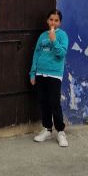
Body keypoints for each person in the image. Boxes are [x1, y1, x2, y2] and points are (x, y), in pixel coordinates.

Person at [30, 9, 69, 147]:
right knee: (43, 101)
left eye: (56, 20)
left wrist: (53, 40)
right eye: (51, 19)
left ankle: (60, 132)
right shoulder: (42, 36)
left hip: (54, 74)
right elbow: (36, 54)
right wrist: (33, 73)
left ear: (60, 22)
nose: (53, 22)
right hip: (41, 73)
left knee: (54, 102)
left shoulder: (62, 35)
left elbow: (61, 54)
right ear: (47, 21)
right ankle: (47, 129)